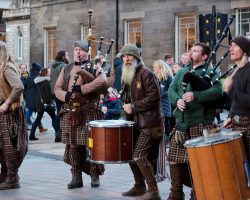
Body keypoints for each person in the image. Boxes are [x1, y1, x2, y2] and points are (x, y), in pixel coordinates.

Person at [168, 42, 223, 200]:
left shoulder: (212, 71)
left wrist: (195, 96)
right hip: (181, 123)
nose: (191, 52)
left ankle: (197, 194)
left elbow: (218, 91)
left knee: (198, 163)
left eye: (196, 51)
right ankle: (176, 194)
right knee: (174, 160)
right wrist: (177, 100)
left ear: (204, 56)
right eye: (191, 50)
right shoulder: (182, 71)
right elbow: (171, 89)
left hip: (200, 123)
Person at [54, 40, 107, 189]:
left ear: (87, 52)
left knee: (91, 145)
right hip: (71, 112)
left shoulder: (93, 66)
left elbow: (102, 80)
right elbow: (57, 88)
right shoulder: (66, 68)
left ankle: (94, 174)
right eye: (76, 49)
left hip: (89, 110)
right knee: (73, 146)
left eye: (81, 50)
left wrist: (82, 89)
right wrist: (65, 96)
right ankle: (76, 176)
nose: (78, 52)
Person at [120, 44, 164, 200]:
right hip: (135, 123)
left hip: (150, 123)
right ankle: (139, 186)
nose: (126, 59)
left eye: (129, 56)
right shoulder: (128, 74)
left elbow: (154, 97)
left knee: (139, 156)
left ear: (136, 57)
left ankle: (153, 191)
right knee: (130, 155)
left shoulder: (146, 73)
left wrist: (133, 107)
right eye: (124, 56)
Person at [0, 41, 28, 189]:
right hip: (4, 114)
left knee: (10, 145)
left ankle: (12, 177)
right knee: (3, 146)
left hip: (11, 113)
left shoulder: (7, 68)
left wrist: (6, 103)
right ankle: (5, 174)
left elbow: (19, 87)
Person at [223, 35, 250, 162]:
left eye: (235, 46)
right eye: (230, 46)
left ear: (244, 50)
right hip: (237, 124)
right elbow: (235, 101)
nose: (231, 49)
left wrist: (231, 89)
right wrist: (230, 116)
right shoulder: (233, 72)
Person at [29, 68, 60, 141]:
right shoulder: (46, 82)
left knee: (38, 119)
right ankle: (58, 136)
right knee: (54, 118)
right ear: (45, 73)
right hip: (47, 103)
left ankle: (31, 135)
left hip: (40, 103)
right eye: (49, 72)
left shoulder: (38, 82)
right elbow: (48, 94)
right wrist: (56, 96)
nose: (50, 73)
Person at [51, 50, 70, 142]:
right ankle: (59, 134)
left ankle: (58, 133)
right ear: (63, 57)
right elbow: (66, 80)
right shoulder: (63, 66)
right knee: (62, 113)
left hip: (55, 92)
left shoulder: (54, 67)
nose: (68, 56)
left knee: (59, 112)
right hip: (62, 92)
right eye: (67, 55)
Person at [23, 62, 48, 132]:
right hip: (36, 97)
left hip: (28, 97)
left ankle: (41, 128)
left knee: (37, 113)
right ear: (38, 70)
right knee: (32, 112)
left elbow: (24, 87)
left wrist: (25, 96)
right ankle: (21, 125)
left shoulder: (28, 77)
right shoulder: (38, 77)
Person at [153, 59, 173, 142]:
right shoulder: (154, 77)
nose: (154, 69)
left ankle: (167, 137)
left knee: (166, 119)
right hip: (157, 103)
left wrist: (162, 95)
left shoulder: (168, 77)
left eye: (155, 67)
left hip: (165, 102)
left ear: (160, 67)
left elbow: (171, 89)